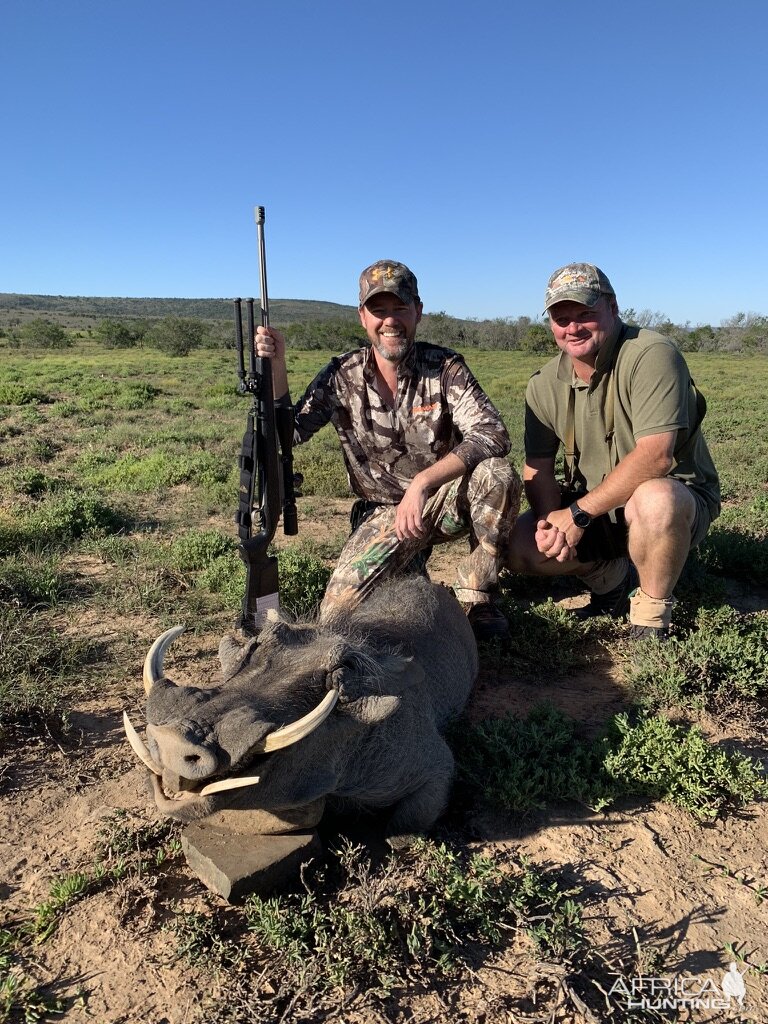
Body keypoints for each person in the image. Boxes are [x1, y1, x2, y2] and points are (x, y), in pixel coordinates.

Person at [254, 259, 521, 640]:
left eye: (400, 308)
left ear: (418, 312)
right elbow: (288, 433)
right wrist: (276, 364)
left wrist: (424, 483)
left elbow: (492, 433)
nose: (390, 320)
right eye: (379, 310)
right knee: (337, 619)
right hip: (382, 514)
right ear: (363, 317)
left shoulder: (445, 367)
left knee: (498, 475)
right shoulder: (340, 375)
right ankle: (411, 568)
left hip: (441, 502)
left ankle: (479, 595)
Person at [505, 262, 720, 639]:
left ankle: (651, 617)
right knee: (521, 545)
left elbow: (657, 456)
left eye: (585, 313)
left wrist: (578, 516)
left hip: (672, 499)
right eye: (561, 317)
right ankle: (614, 582)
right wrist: (549, 522)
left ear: (613, 307)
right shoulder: (542, 384)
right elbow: (536, 465)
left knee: (655, 499)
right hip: (592, 508)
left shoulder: (651, 353)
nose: (572, 327)